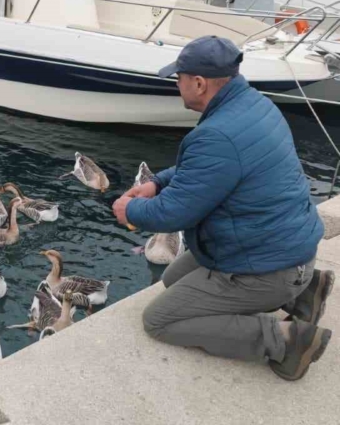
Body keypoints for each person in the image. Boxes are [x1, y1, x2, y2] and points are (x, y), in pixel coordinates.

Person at [112, 35, 334, 381]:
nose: (177, 84)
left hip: (271, 266)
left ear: (198, 84)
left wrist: (129, 210)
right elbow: (210, 169)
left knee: (160, 319)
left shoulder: (218, 134)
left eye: (179, 78)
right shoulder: (253, 105)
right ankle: (307, 293)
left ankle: (288, 342)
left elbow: (174, 214)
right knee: (171, 279)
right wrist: (158, 183)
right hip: (288, 250)